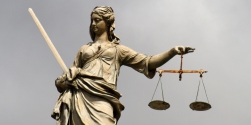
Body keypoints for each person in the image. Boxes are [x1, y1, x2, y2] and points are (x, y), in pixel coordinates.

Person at [51, 6, 195, 125]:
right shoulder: (84, 49)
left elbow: (147, 62)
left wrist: (172, 52)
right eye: (92, 21)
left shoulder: (118, 50)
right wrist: (62, 81)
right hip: (80, 97)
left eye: (97, 20)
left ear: (107, 23)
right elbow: (65, 78)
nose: (93, 24)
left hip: (104, 99)